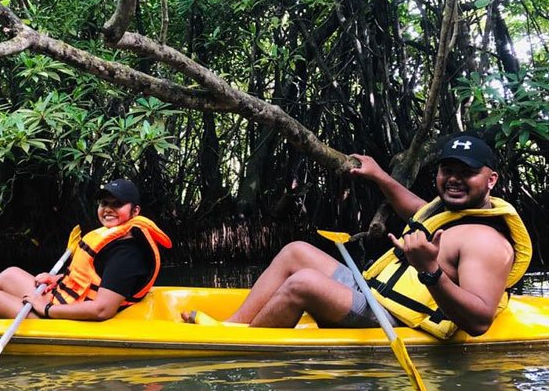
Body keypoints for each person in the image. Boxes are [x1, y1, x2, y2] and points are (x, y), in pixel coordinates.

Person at [188, 134, 530, 338]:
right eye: (447, 170)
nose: (453, 179)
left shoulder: (489, 243)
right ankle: (230, 328)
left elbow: (480, 321)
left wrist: (430, 272)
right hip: (375, 294)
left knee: (305, 282)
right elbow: (416, 209)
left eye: (466, 173)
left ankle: (245, 348)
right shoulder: (453, 211)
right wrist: (380, 176)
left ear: (491, 180)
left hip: (394, 318)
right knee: (296, 251)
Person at [0, 178, 172, 320]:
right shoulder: (113, 240)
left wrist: (45, 308)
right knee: (10, 273)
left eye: (117, 204)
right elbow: (93, 279)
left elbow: (102, 310)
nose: (108, 209)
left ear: (135, 211)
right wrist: (59, 280)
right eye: (104, 203)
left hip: (71, 317)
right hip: (67, 301)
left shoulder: (128, 252)